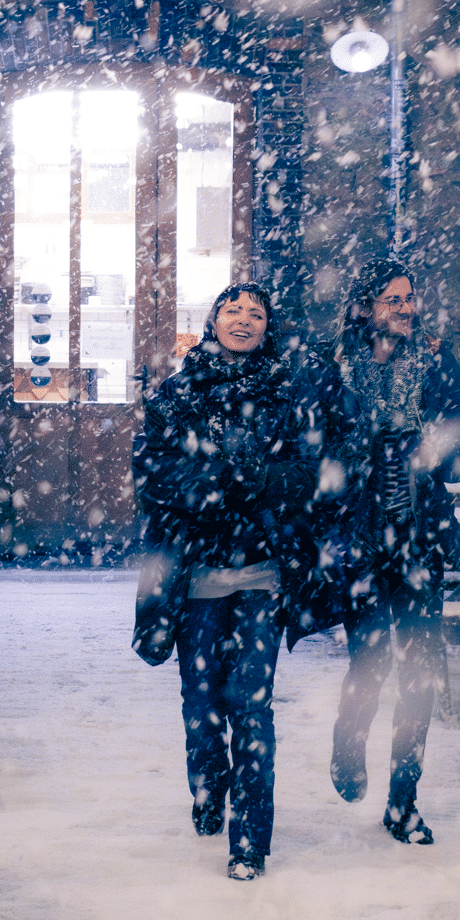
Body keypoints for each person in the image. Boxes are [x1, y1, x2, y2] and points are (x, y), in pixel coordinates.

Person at [131, 283, 322, 881]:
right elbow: (154, 472)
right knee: (202, 703)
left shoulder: (289, 392)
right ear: (213, 321)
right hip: (196, 578)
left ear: (270, 325)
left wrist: (259, 479)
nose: (244, 320)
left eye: (257, 312)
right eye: (233, 310)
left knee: (253, 706)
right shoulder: (179, 392)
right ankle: (208, 788)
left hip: (263, 576)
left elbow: (308, 472)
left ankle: (250, 841)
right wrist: (215, 484)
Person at [321, 259, 460, 846]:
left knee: (418, 673)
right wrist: (359, 450)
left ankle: (403, 802)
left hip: (419, 537)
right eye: (392, 299)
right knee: (370, 661)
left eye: (410, 298)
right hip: (359, 541)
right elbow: (317, 445)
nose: (406, 307)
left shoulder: (436, 364)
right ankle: (348, 738)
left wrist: (432, 449)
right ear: (364, 307)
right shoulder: (336, 367)